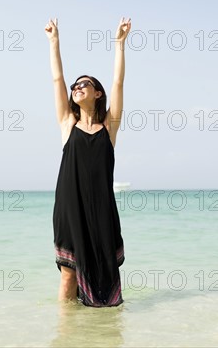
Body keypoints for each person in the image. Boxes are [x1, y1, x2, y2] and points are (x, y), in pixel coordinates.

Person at [44, 17, 131, 306]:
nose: (77, 87)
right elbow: (57, 79)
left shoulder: (109, 129)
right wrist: (54, 42)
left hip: (103, 210)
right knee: (68, 274)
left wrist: (119, 43)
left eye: (85, 84)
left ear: (98, 93)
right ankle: (66, 332)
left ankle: (103, 334)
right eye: (75, 86)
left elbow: (118, 82)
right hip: (70, 208)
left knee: (107, 278)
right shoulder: (67, 123)